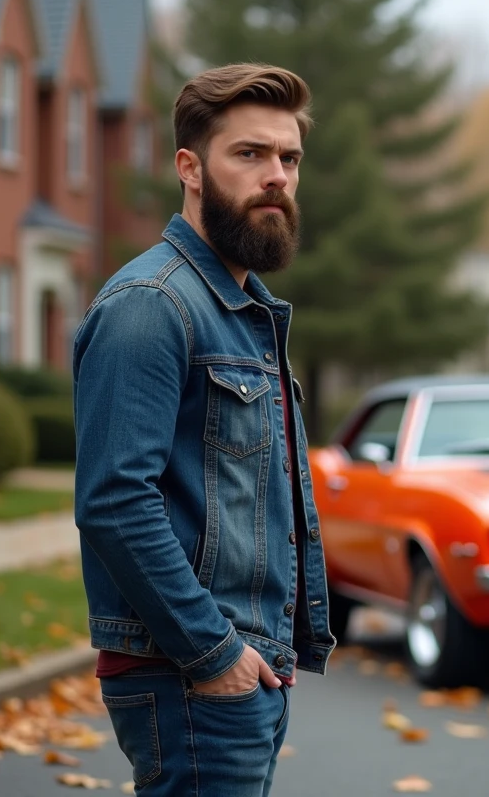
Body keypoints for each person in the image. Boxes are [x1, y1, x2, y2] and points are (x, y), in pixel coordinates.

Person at [71, 63, 336, 795]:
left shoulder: (242, 309)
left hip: (236, 674)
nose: (277, 176)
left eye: (288, 158)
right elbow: (115, 502)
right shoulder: (152, 306)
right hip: (189, 676)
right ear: (189, 168)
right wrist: (213, 653)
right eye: (249, 154)